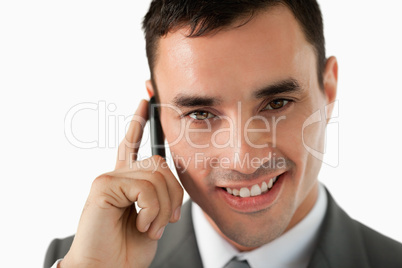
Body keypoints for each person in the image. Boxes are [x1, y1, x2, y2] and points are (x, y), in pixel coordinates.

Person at [44, 0, 402, 267]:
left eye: (277, 103)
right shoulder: (79, 260)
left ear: (329, 88)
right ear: (157, 115)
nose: (242, 158)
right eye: (200, 113)